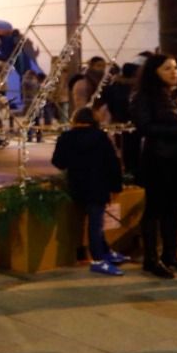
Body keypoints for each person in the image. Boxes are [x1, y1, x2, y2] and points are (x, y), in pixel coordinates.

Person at [131, 53, 177, 278]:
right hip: (158, 159)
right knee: (154, 209)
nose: (174, 72)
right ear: (154, 72)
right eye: (167, 69)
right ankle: (151, 259)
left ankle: (171, 255)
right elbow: (145, 127)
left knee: (173, 209)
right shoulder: (144, 96)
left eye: (175, 67)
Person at [51, 105, 126, 276]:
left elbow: (58, 162)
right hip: (98, 186)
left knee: (94, 223)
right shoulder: (100, 137)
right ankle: (98, 259)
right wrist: (116, 187)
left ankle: (105, 251)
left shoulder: (66, 138)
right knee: (95, 224)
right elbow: (112, 164)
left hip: (77, 186)